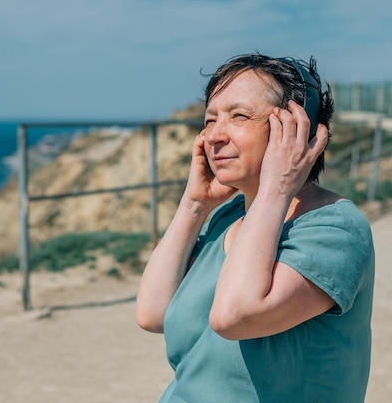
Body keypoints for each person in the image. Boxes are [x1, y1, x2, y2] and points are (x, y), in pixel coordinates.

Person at [136, 53, 375, 402]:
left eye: (239, 116)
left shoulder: (334, 228)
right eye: (210, 119)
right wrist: (195, 205)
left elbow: (235, 316)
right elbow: (153, 313)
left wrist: (278, 187)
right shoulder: (227, 216)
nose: (215, 135)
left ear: (297, 126)